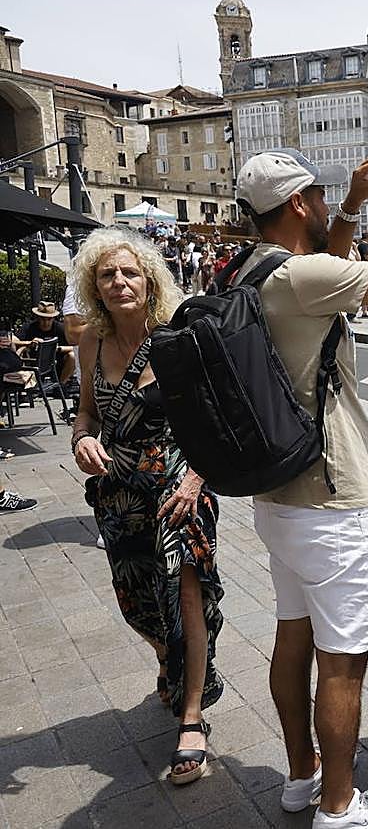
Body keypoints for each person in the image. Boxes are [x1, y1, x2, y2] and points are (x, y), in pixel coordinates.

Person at [232, 146, 368, 829]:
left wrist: (349, 204)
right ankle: (340, 807)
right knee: (342, 659)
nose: (324, 207)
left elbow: (330, 268)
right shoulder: (299, 277)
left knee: (294, 637)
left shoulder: (249, 268)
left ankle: (302, 777)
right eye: (316, 197)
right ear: (296, 204)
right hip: (331, 496)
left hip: (279, 495)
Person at [70, 227, 224, 787]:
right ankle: (171, 656)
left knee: (186, 587)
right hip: (119, 489)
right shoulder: (90, 340)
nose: (118, 282)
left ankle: (191, 715)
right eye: (107, 274)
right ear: (95, 285)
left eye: (129, 272)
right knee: (137, 600)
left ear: (149, 278)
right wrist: (82, 438)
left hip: (181, 480)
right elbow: (86, 413)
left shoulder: (178, 337)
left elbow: (214, 419)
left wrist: (196, 481)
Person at [15, 301, 77, 390]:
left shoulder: (61, 328)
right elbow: (13, 340)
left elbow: (75, 346)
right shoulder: (29, 327)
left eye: (49, 319)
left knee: (72, 356)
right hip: (34, 363)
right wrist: (29, 343)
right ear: (38, 317)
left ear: (53, 318)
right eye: (43, 319)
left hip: (56, 363)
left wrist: (58, 349)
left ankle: (60, 386)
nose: (46, 322)